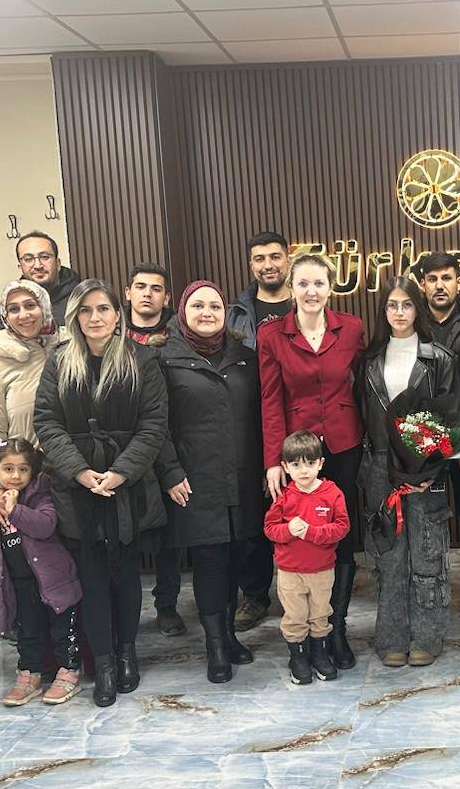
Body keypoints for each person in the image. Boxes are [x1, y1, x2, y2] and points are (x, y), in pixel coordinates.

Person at [34, 280, 169, 707]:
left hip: (127, 485)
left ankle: (127, 653)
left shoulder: (141, 360)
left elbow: (153, 425)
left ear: (117, 314)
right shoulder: (59, 361)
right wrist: (79, 471)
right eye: (86, 310)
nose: (95, 318)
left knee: (126, 573)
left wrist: (120, 472)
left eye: (103, 309)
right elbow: (47, 421)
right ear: (75, 316)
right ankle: (105, 664)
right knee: (90, 576)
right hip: (78, 487)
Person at [257, 251, 366, 670]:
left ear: (331, 287)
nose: (311, 291)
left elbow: (363, 385)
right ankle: (305, 636)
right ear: (291, 288)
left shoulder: (351, 328)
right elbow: (270, 401)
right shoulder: (272, 335)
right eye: (302, 283)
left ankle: (335, 629)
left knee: (339, 533)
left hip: (343, 445)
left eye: (319, 283)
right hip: (297, 455)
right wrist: (274, 460)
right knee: (299, 535)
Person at [157, 280, 265, 684]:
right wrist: (170, 471)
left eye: (215, 306)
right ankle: (215, 645)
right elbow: (155, 423)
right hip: (195, 479)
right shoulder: (164, 359)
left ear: (225, 313)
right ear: (183, 311)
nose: (207, 313)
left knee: (238, 555)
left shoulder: (245, 357)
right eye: (198, 305)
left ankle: (230, 635)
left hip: (242, 475)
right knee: (210, 561)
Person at [359, 277, 456, 667]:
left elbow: (449, 417)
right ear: (383, 311)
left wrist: (429, 470)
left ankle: (427, 638)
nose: (399, 312)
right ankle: (391, 638)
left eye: (407, 304)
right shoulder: (369, 360)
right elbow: (363, 417)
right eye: (392, 305)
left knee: (427, 554)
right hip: (380, 467)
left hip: (426, 466)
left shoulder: (439, 358)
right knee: (389, 555)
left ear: (418, 308)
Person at [0, 438, 83, 706]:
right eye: (8, 469)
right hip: (18, 583)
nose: (16, 476)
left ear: (32, 471)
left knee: (62, 629)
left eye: (23, 469)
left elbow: (45, 525)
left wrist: (15, 510)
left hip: (54, 580)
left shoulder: (40, 495)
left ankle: (68, 671)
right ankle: (30, 673)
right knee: (28, 630)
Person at [411, 250, 460, 621]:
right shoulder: (410, 319)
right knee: (425, 517)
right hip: (423, 429)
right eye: (432, 279)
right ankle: (427, 598)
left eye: (447, 278)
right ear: (422, 284)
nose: (440, 286)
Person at [225, 231, 295, 633]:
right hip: (249, 420)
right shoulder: (236, 312)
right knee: (254, 510)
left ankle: (305, 591)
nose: (268, 265)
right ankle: (254, 594)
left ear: (288, 259)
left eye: (274, 256)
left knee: (302, 504)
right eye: (259, 259)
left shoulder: (305, 300)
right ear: (251, 265)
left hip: (299, 421)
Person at [121, 263, 187, 638]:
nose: (148, 293)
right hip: (126, 450)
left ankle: (167, 606)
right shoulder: (111, 335)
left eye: (156, 288)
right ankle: (126, 613)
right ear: (128, 293)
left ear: (167, 297)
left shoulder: (180, 336)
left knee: (168, 538)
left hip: (173, 447)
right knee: (126, 536)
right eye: (141, 286)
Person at [264, 430, 350, 685]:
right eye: (295, 465)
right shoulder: (283, 496)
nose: (303, 471)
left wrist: (312, 532)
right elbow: (270, 529)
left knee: (321, 614)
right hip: (290, 572)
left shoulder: (332, 493)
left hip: (322, 570)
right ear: (285, 467)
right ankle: (298, 657)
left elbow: (342, 527)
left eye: (310, 463)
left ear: (320, 464)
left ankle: (319, 654)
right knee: (295, 616)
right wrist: (288, 530)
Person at [0, 279, 56, 502]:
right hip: (24, 485)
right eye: (14, 309)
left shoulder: (68, 348)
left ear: (44, 307)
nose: (23, 315)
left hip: (74, 476)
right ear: (5, 316)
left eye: (30, 305)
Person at [15, 231, 79, 326]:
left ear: (58, 263)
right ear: (20, 267)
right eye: (28, 259)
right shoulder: (12, 303)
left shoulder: (82, 297)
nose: (38, 265)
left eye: (45, 257)